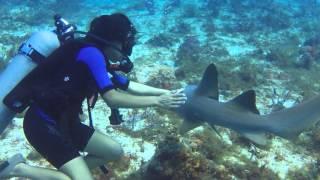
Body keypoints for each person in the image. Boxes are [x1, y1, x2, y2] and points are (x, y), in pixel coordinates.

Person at [0, 13, 186, 180]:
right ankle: (19, 169)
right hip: (42, 125)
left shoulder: (95, 56)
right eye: (125, 42)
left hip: (64, 122)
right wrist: (157, 102)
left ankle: (68, 174)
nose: (127, 48)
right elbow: (112, 98)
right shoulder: (92, 54)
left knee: (112, 151)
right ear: (113, 40)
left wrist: (166, 93)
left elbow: (128, 85)